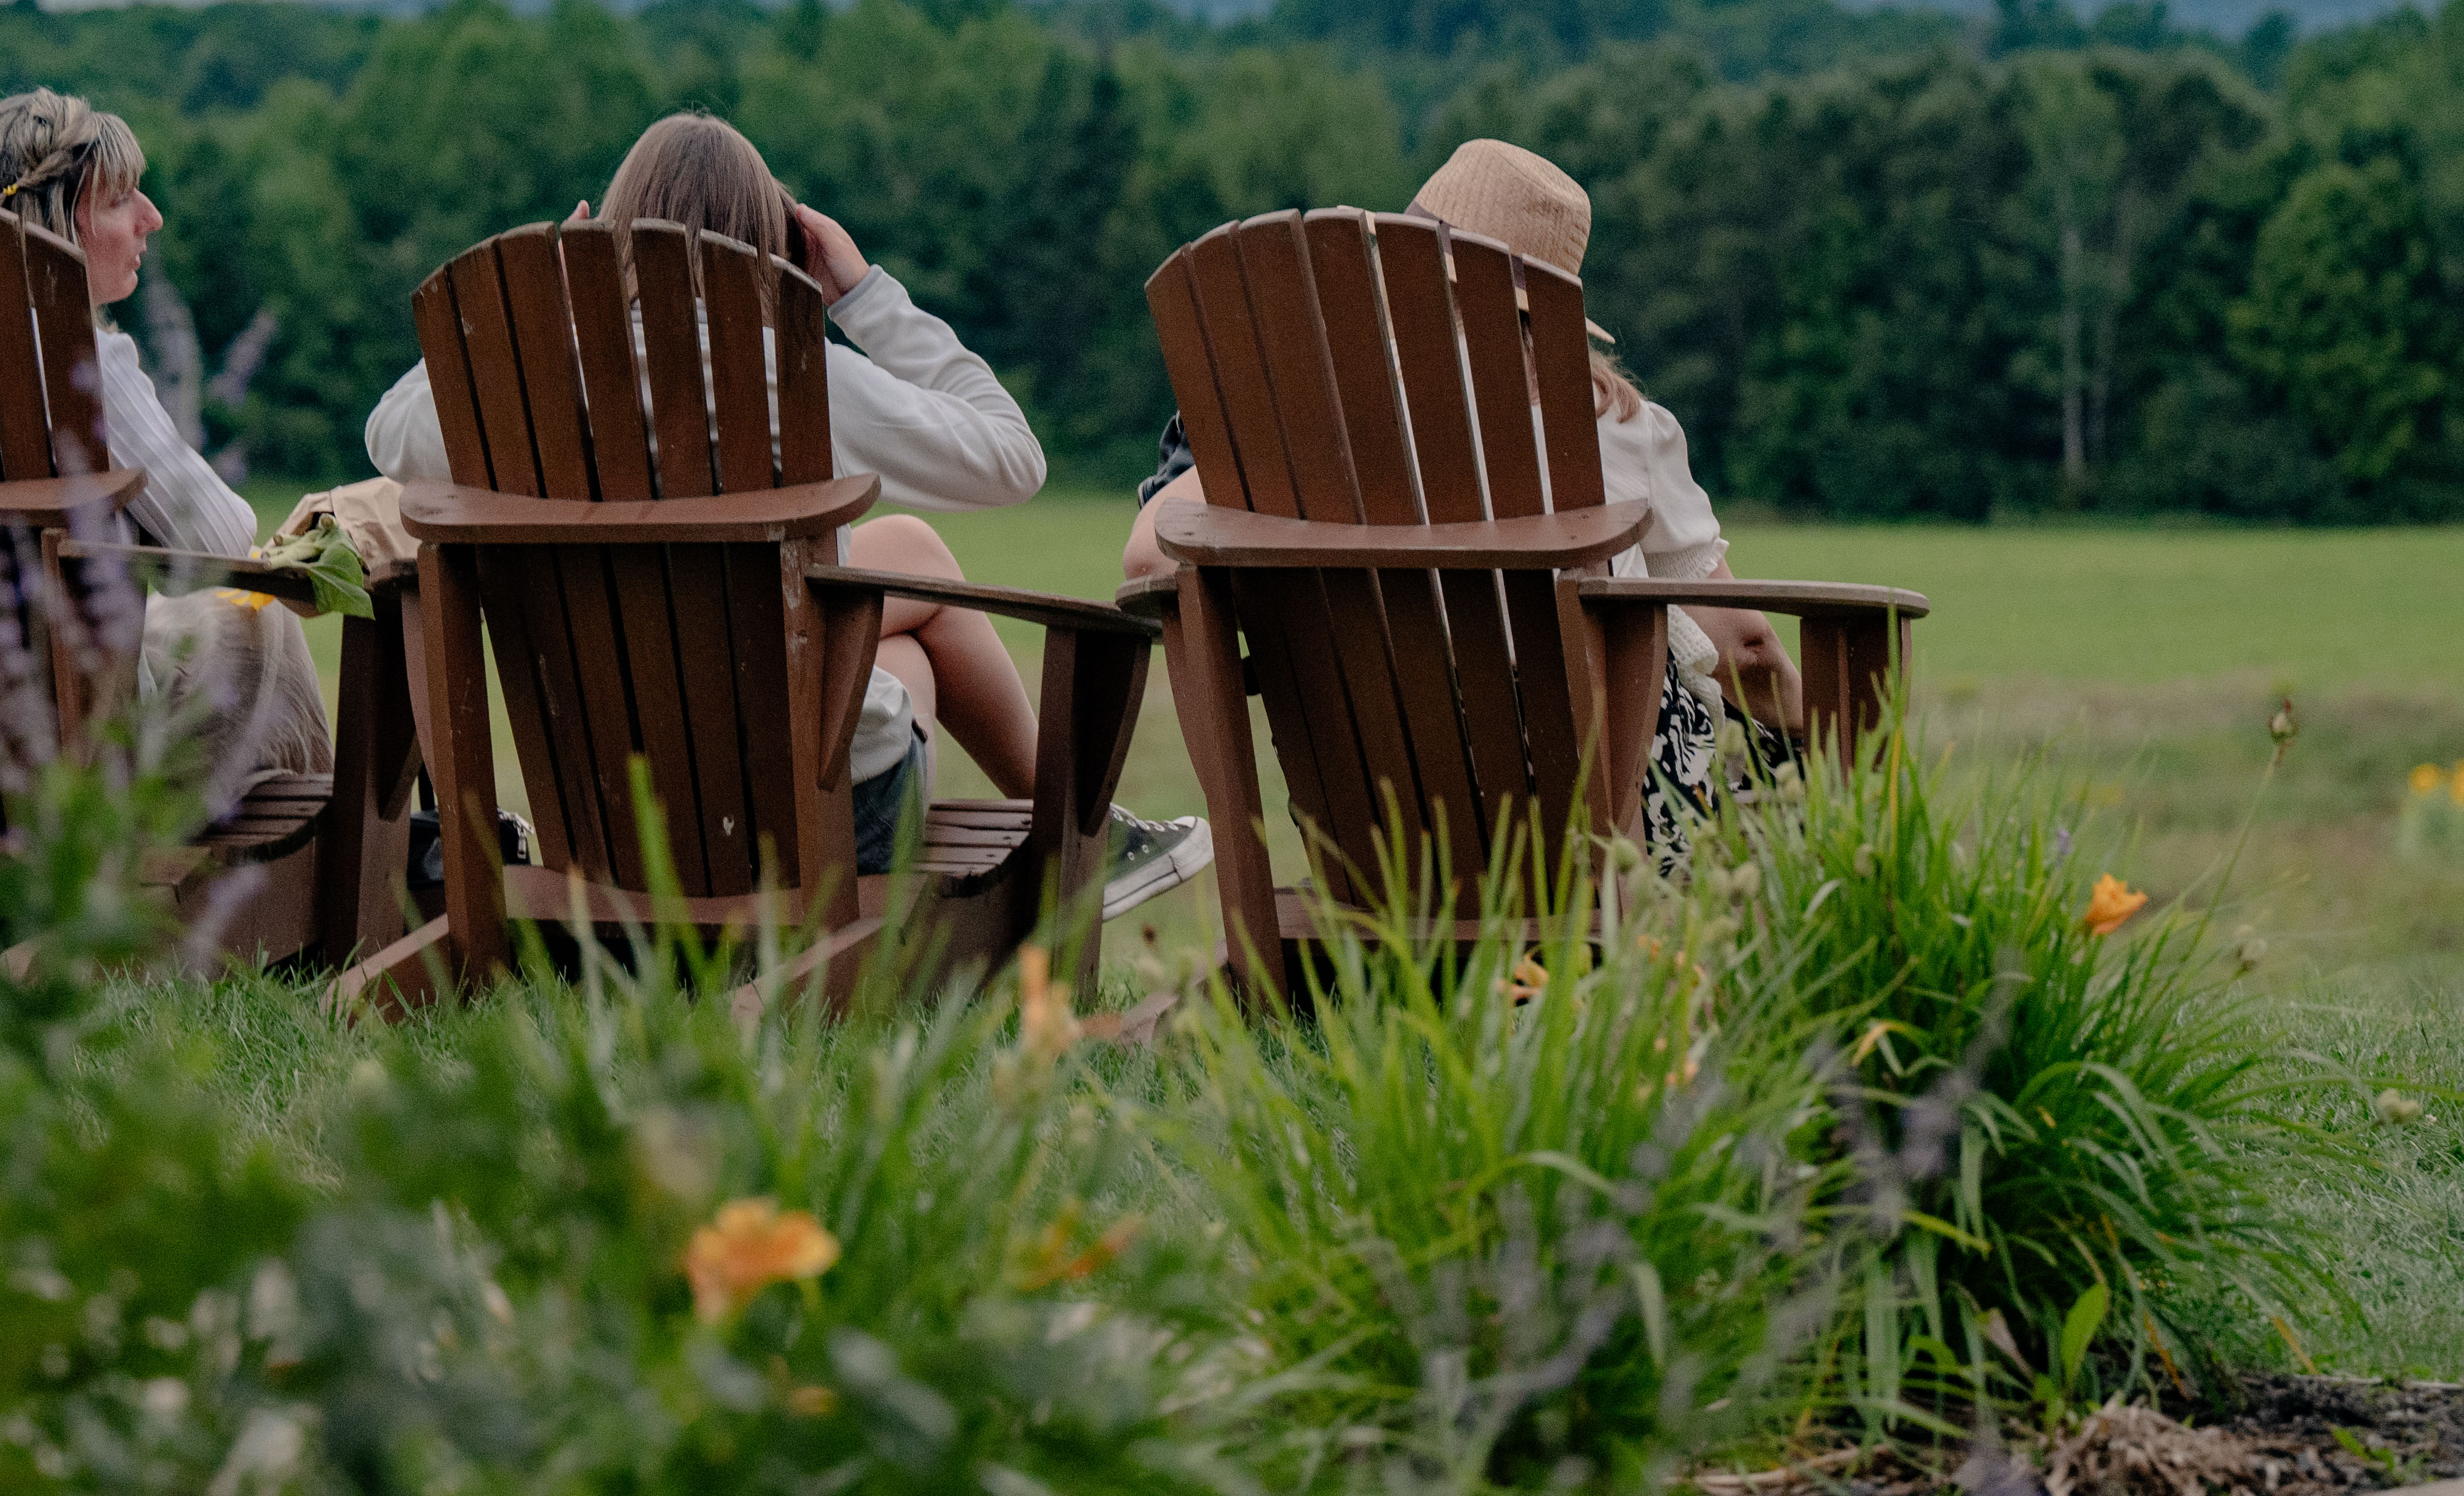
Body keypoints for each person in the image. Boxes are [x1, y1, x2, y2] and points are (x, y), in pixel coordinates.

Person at [361, 111, 1209, 917]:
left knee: (905, 546)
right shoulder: (801, 372)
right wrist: (864, 296)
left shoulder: (523, 390)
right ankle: (1081, 840)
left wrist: (541, 297)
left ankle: (1084, 841)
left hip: (607, 809)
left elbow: (386, 432)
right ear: (775, 248)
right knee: (901, 646)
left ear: (602, 236)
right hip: (815, 822)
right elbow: (1015, 460)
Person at [1119, 138, 1800, 868]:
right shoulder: (1620, 426)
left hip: (1381, 831)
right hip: (1607, 833)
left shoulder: (1306, 427)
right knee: (1733, 740)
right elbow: (1747, 647)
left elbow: (1148, 556)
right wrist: (1832, 749)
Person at [0, 90, 329, 816]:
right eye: (120, 201)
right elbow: (218, 537)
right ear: (53, 225)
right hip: (87, 767)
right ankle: (322, 861)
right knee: (257, 612)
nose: (152, 217)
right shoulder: (78, 359)